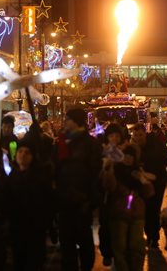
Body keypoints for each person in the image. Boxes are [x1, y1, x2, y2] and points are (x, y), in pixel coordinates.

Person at [54, 108, 102, 271]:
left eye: (68, 119)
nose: (65, 122)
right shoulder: (61, 142)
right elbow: (56, 169)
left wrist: (91, 200)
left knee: (84, 240)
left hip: (83, 201)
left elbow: (96, 173)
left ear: (76, 121)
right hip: (64, 200)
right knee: (66, 242)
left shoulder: (90, 143)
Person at [2, 138, 54, 271]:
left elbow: (48, 202)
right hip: (17, 227)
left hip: (35, 228)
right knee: (19, 260)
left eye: (27, 152)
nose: (23, 155)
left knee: (33, 262)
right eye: (20, 151)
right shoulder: (13, 176)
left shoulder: (40, 177)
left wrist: (47, 223)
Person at [102, 145, 148, 271]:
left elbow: (149, 192)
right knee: (119, 247)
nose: (128, 158)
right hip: (119, 213)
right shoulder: (116, 171)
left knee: (137, 246)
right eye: (125, 155)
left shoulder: (138, 171)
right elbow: (109, 186)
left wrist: (143, 181)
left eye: (131, 156)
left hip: (137, 213)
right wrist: (109, 169)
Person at [131, 123, 167, 249]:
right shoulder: (132, 148)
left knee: (153, 210)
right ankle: (149, 234)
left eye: (140, 135)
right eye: (136, 135)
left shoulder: (156, 144)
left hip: (157, 183)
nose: (138, 137)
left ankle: (153, 237)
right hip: (141, 184)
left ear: (145, 134)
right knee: (143, 210)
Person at [99, 123, 129, 267]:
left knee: (123, 223)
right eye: (111, 136)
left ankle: (122, 252)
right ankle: (107, 253)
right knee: (105, 224)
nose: (115, 139)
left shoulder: (127, 151)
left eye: (117, 136)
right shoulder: (103, 152)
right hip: (107, 195)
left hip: (124, 194)